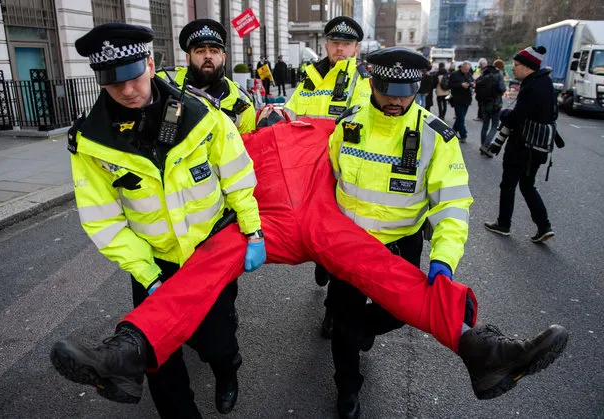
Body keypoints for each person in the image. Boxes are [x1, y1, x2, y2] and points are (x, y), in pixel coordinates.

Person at [50, 92, 568, 415]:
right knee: (201, 268)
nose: (278, 116)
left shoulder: (332, 128)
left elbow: (380, 142)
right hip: (265, 224)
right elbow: (213, 177)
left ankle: (476, 347)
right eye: (270, 114)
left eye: (283, 113)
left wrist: (435, 232)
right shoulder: (240, 138)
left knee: (390, 272)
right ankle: (130, 349)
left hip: (324, 222)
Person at [64, 23, 266, 418]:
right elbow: (102, 219)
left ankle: (228, 371)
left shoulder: (201, 115)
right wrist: (148, 274)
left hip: (208, 252)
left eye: (133, 76)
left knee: (217, 343)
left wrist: (252, 228)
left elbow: (238, 176)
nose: (126, 90)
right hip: (153, 260)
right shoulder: (90, 141)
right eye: (112, 81)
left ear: (151, 64)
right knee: (161, 359)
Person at [325, 47, 473, 418]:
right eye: (387, 88)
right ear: (372, 82)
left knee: (400, 313)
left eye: (406, 90)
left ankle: (361, 328)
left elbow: (452, 204)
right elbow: (325, 178)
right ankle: (347, 388)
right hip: (350, 245)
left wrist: (443, 259)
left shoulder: (436, 136)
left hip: (400, 246)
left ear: (418, 87)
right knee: (343, 326)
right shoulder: (348, 123)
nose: (396, 99)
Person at [284, 16, 374, 338]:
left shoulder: (363, 80)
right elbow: (291, 112)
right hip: (310, 172)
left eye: (346, 44)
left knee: (341, 241)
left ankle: (334, 311)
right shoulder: (310, 76)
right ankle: (321, 262)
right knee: (313, 230)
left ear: (356, 48)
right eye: (335, 43)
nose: (340, 48)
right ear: (326, 45)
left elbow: (361, 123)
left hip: (344, 173)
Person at [484, 46, 556, 243]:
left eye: (516, 65)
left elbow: (517, 117)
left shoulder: (531, 87)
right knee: (527, 184)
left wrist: (504, 114)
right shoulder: (545, 83)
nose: (513, 69)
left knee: (508, 184)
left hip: (522, 146)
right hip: (539, 147)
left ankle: (503, 223)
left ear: (528, 67)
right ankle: (544, 226)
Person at [156, 19, 256, 135]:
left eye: (214, 51)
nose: (208, 56)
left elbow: (248, 147)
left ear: (223, 58)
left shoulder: (242, 101)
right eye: (200, 51)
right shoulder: (163, 81)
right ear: (188, 58)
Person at [477, 58, 506, 156]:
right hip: (495, 104)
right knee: (494, 126)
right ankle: (485, 146)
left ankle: (482, 146)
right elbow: (502, 88)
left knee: (485, 125)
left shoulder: (485, 72)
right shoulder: (498, 75)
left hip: (484, 103)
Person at [449, 61, 473, 143]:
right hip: (457, 99)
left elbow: (471, 82)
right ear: (462, 67)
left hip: (467, 99)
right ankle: (464, 135)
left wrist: (470, 84)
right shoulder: (455, 74)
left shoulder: (469, 74)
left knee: (460, 118)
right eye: (466, 69)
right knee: (461, 118)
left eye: (468, 69)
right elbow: (450, 85)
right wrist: (461, 85)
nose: (467, 71)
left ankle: (452, 132)